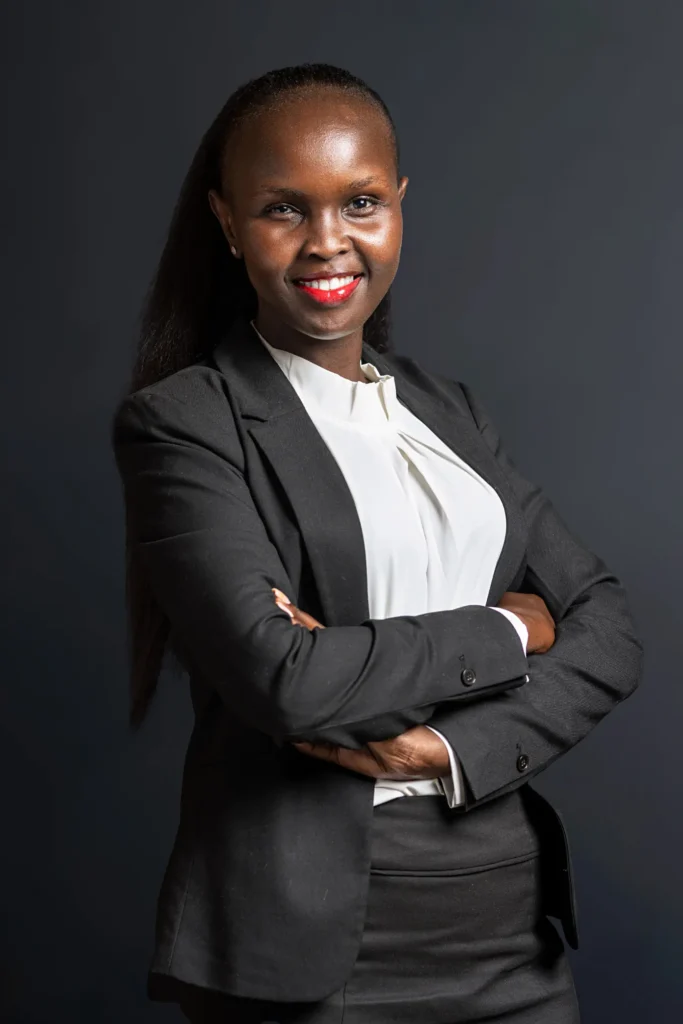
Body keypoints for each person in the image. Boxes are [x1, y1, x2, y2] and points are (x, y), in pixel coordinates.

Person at [112, 63, 643, 1024]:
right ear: (227, 222)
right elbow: (287, 682)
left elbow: (606, 629)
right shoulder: (186, 424)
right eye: (283, 208)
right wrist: (508, 629)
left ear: (398, 203)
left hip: (510, 932)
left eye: (360, 202)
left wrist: (441, 747)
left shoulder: (447, 413)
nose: (328, 240)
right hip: (311, 950)